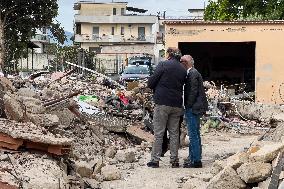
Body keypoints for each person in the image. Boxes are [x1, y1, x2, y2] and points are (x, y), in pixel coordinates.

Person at [147, 47, 187, 168]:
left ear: (169, 54)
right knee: (174, 133)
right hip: (176, 104)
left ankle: (155, 160)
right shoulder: (183, 69)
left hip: (162, 103)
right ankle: (174, 161)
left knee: (159, 132)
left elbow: (151, 83)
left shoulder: (163, 64)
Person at [181, 55, 208, 168]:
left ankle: (196, 161)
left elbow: (192, 92)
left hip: (193, 108)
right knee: (195, 134)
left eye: (181, 61)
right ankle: (195, 158)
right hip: (196, 107)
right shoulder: (194, 72)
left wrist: (187, 106)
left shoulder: (192, 74)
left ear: (186, 63)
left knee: (193, 135)